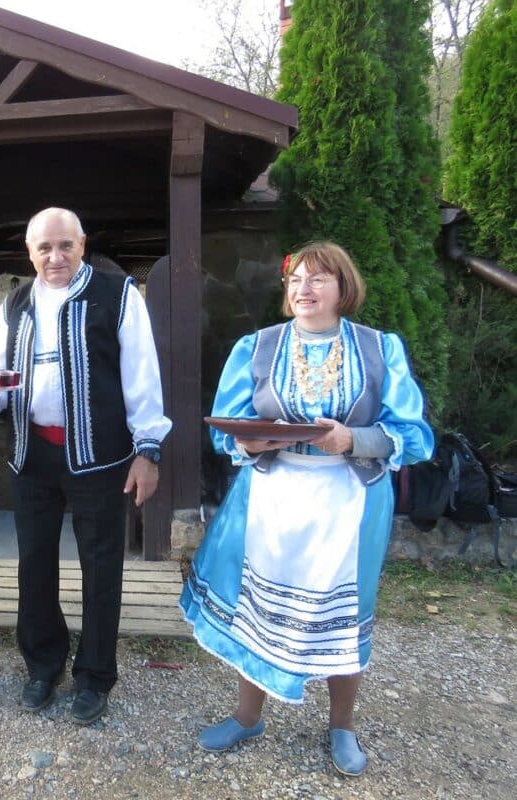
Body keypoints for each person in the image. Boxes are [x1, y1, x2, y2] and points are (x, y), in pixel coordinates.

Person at [179, 241, 434, 776]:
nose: (304, 289)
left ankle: (342, 726)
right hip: (273, 496)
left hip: (349, 501)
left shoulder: (379, 349)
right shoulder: (257, 348)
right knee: (257, 610)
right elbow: (226, 426)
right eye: (295, 280)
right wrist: (248, 440)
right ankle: (248, 716)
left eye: (318, 279)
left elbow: (414, 436)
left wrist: (354, 440)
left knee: (345, 615)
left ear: (344, 287)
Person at [0, 207, 172, 724]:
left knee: (101, 567)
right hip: (31, 454)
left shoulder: (117, 295)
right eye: (45, 248)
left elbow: (142, 376)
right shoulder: (15, 303)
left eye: (65, 246)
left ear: (83, 244)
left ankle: (95, 676)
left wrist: (148, 450)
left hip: (100, 456)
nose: (55, 257)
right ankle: (43, 665)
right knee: (34, 564)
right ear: (30, 252)